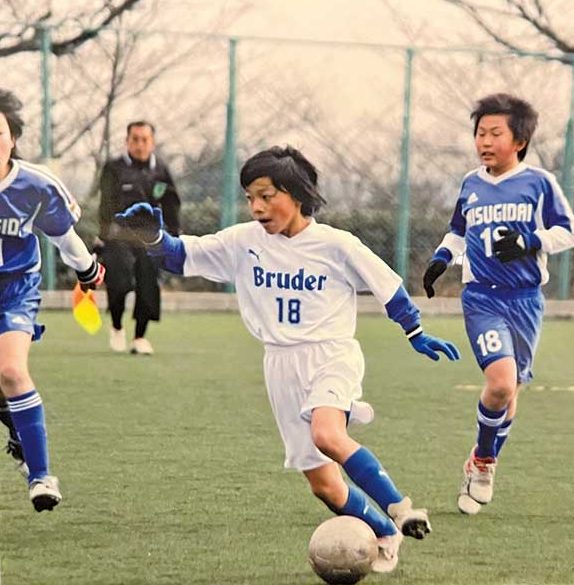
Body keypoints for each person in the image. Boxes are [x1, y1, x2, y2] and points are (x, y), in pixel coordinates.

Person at [114, 145, 461, 573]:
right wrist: (153, 237)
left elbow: (387, 286)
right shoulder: (243, 242)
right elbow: (181, 256)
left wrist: (415, 332)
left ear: (296, 194)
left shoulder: (336, 245)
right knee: (324, 485)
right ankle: (386, 533)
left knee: (327, 434)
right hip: (280, 366)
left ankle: (401, 509)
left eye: (266, 196)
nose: (256, 207)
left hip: (331, 354)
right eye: (250, 198)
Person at [422, 93, 574, 515]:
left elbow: (570, 231)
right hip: (482, 298)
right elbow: (458, 231)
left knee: (510, 393)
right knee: (501, 384)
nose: (485, 141)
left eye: (495, 133)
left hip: (525, 300)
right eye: (480, 133)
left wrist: (531, 241)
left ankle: (479, 460)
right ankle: (485, 463)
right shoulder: (471, 184)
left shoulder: (539, 183)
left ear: (520, 141)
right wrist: (442, 258)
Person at [0, 88, 105, 511]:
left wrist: (87, 269)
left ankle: (41, 475)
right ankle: (16, 428)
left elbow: (63, 235)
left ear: (12, 138)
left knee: (11, 370)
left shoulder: (35, 185)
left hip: (15, 289)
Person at [97, 120, 180, 355]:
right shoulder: (113, 168)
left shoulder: (161, 170)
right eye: (135, 139)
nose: (140, 144)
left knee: (148, 285)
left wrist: (174, 236)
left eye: (145, 139)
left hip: (150, 238)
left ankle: (140, 337)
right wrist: (103, 236)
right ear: (127, 141)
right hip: (119, 236)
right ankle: (116, 326)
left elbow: (171, 205)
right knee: (119, 282)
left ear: (152, 142)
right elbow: (105, 205)